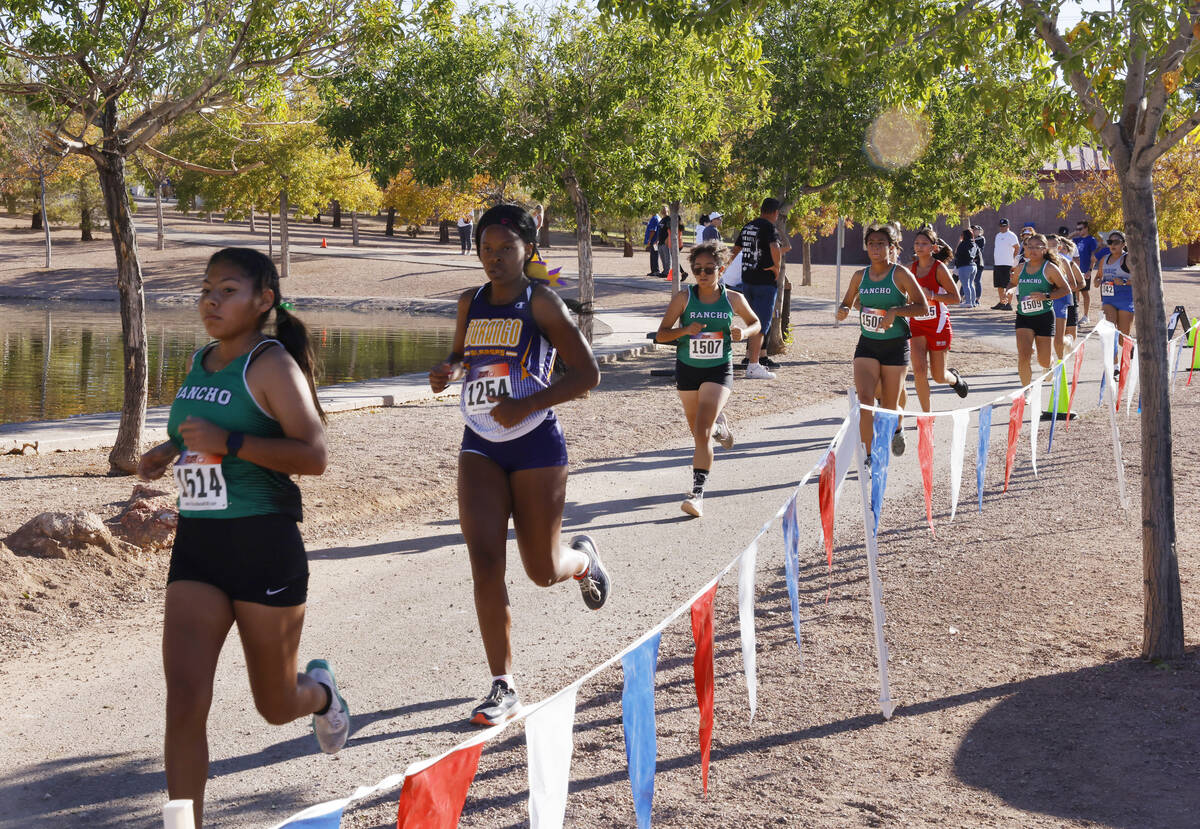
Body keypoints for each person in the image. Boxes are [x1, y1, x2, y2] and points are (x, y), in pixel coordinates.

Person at [137, 247, 346, 829]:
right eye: (206, 288)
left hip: (264, 545)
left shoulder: (271, 363)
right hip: (199, 547)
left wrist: (231, 443)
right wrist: (169, 450)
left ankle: (322, 696)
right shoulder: (202, 359)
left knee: (275, 705)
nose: (211, 299)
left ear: (263, 302)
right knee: (184, 702)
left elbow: (314, 455)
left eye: (227, 289)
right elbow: (198, 433)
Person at [429, 204, 611, 727]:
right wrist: (450, 369)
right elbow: (465, 354)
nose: (493, 259)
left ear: (527, 249)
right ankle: (503, 685)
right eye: (485, 249)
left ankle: (580, 560)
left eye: (504, 248)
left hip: (535, 444)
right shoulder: (471, 301)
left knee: (539, 569)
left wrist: (527, 404)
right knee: (485, 563)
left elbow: (589, 374)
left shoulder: (543, 303)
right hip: (480, 442)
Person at [655, 240, 760, 517]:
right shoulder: (683, 298)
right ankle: (721, 429)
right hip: (688, 369)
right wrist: (684, 331)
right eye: (698, 269)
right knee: (699, 431)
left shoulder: (733, 298)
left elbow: (756, 323)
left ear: (721, 270)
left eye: (709, 269)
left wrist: (744, 334)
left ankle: (697, 493)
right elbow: (661, 334)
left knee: (701, 430)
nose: (702, 274)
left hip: (718, 370)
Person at [837, 223, 931, 454]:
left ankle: (896, 430)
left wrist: (895, 312)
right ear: (866, 247)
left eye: (881, 243)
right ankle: (869, 456)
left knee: (889, 406)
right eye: (871, 244)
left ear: (891, 247)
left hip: (895, 346)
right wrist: (843, 310)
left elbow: (923, 307)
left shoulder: (900, 274)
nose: (876, 248)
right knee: (866, 401)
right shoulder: (860, 276)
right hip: (868, 345)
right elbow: (848, 302)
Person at [909, 228, 970, 411]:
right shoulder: (911, 269)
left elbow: (956, 298)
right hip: (917, 323)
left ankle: (954, 379)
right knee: (919, 371)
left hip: (938, 325)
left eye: (924, 244)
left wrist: (932, 295)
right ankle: (927, 416)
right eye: (917, 243)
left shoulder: (939, 268)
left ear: (933, 248)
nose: (920, 247)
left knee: (938, 376)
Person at [727, 197, 783, 379]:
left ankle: (750, 359)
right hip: (764, 282)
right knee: (760, 324)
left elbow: (735, 250)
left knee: (750, 321)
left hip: (747, 280)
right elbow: (775, 247)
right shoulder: (769, 227)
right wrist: (776, 267)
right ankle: (754, 365)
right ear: (775, 213)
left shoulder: (748, 226)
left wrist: (729, 268)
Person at [1007, 233, 1071, 386]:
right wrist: (1009, 291)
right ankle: (1026, 391)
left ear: (1044, 249)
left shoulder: (1050, 268)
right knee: (1023, 356)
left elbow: (1066, 289)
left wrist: (1046, 296)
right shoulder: (1021, 267)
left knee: (1043, 361)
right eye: (1029, 247)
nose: (1032, 250)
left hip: (1044, 317)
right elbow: (1012, 283)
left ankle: (1049, 363)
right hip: (1024, 316)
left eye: (1037, 247)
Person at [1093, 230, 1135, 338]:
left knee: (1123, 339)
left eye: (1116, 242)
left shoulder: (1128, 259)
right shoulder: (1104, 259)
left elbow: (1142, 281)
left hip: (1125, 300)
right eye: (1110, 242)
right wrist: (1097, 281)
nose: (1112, 245)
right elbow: (1098, 277)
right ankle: (1113, 355)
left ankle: (1132, 351)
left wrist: (1124, 282)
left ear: (1124, 244)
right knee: (1109, 336)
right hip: (1108, 300)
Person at [1053, 235, 1083, 357]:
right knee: (1056, 336)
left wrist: (1066, 289)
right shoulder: (1046, 265)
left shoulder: (1070, 263)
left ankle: (1066, 345)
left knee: (1071, 335)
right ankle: (1057, 361)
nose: (1060, 251)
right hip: (1052, 301)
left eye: (1063, 249)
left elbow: (1082, 283)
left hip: (1069, 300)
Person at [1072, 220, 1098, 325]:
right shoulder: (1075, 240)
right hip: (1074, 270)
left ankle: (1086, 316)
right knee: (1075, 292)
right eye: (1077, 229)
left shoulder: (1091, 240)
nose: (1079, 231)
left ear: (1086, 228)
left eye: (1080, 228)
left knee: (1085, 293)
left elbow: (1093, 257)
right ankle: (1076, 314)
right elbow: (1062, 241)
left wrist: (1090, 270)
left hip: (1085, 270)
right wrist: (1073, 233)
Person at [992, 218, 1019, 310]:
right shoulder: (998, 235)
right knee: (999, 285)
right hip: (998, 264)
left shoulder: (1011, 235)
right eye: (1001, 226)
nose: (1002, 228)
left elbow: (1017, 248)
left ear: (1008, 226)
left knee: (1008, 285)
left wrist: (1013, 260)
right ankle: (1002, 302)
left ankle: (1008, 304)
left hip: (1008, 264)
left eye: (1004, 226)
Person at [644, 206, 666, 277]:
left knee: (654, 255)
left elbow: (653, 230)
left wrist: (649, 240)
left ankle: (655, 270)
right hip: (656, 240)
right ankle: (654, 270)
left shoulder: (654, 218)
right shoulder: (658, 217)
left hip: (654, 241)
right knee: (654, 255)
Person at [971, 224, 986, 305]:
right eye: (974, 230)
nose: (975, 231)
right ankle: (964, 297)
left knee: (977, 281)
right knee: (967, 281)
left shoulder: (981, 239)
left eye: (977, 230)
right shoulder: (969, 239)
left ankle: (977, 299)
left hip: (979, 263)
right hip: (970, 263)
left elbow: (978, 250)